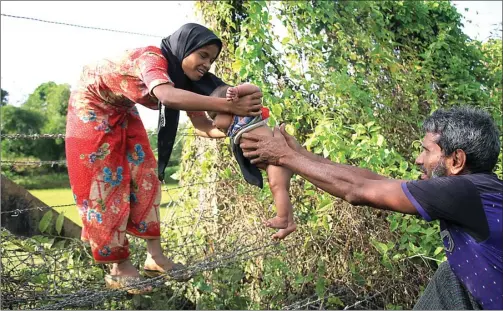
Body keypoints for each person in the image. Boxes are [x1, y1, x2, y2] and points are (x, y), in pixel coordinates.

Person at [65, 23, 263, 293]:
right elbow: (167, 97)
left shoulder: (183, 80)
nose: (207, 64)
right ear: (185, 47)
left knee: (145, 175)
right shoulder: (152, 58)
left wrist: (235, 128)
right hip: (91, 107)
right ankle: (118, 268)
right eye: (203, 55)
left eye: (212, 60)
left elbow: (203, 127)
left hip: (122, 109)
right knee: (103, 185)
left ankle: (154, 257)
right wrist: (227, 105)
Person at [239, 106, 502, 310]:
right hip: (476, 296)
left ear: (456, 160)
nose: (418, 159)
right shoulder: (475, 189)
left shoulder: (462, 192)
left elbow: (358, 190)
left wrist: (283, 156)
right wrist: (300, 155)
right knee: (450, 275)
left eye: (427, 151)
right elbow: (374, 181)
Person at [208, 83, 296, 239]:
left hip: (278, 158)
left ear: (227, 108)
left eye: (214, 117)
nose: (213, 124)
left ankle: (283, 218)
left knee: (277, 187)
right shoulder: (234, 128)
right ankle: (289, 223)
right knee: (279, 189)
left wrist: (238, 91)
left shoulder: (246, 114)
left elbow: (255, 89)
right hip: (272, 163)